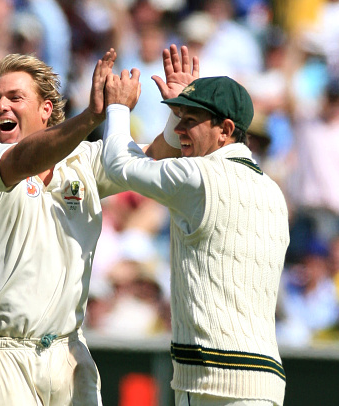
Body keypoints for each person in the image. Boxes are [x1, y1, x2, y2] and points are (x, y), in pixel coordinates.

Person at [0, 45, 183, 406]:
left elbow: (153, 159)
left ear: (46, 110)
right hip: (1, 354)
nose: (1, 107)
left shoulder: (84, 161)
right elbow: (26, 158)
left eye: (15, 97)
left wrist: (178, 114)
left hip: (69, 351)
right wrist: (93, 116)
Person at [102, 72, 290, 405]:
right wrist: (183, 108)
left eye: (190, 120)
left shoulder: (199, 176)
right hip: (265, 382)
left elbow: (119, 165)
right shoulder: (273, 191)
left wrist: (117, 108)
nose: (178, 129)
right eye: (179, 118)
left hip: (211, 382)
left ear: (226, 130)